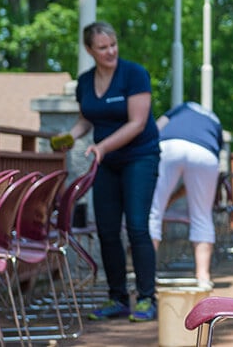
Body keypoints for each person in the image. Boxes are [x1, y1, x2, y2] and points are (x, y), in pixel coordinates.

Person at [57, 21, 160, 322]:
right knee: (106, 229)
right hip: (107, 163)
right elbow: (87, 119)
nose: (110, 51)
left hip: (140, 157)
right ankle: (118, 298)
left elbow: (137, 123)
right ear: (90, 50)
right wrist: (70, 136)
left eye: (113, 44)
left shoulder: (134, 74)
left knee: (138, 227)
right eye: (102, 47)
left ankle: (145, 298)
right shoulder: (85, 81)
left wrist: (102, 147)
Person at [148, 101, 224, 290]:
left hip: (168, 146)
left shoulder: (182, 107)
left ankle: (147, 275)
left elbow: (154, 128)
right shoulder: (214, 120)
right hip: (205, 152)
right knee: (202, 215)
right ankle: (203, 276)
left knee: (153, 212)